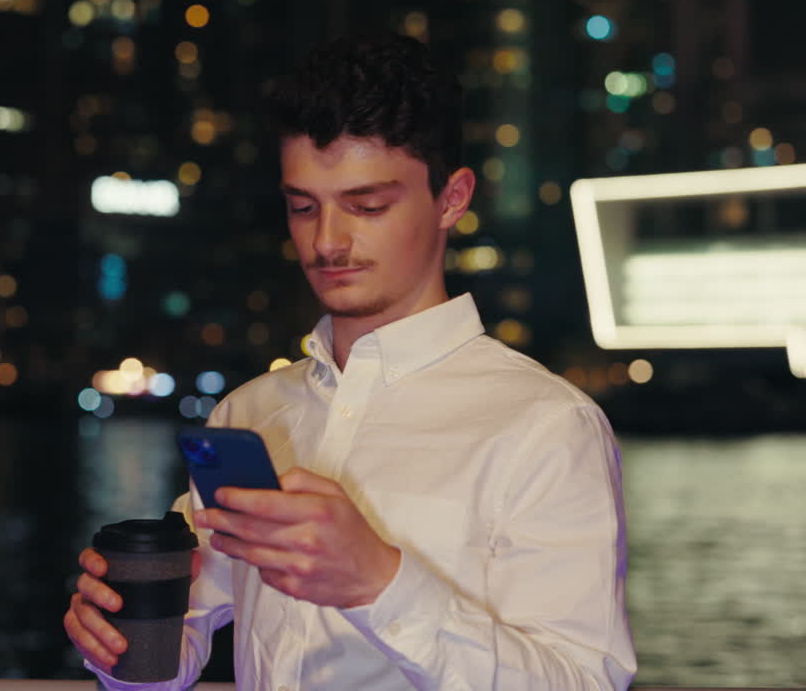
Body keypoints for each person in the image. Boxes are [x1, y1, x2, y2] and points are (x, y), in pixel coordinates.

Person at [64, 34, 636, 690]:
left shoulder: (547, 425)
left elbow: (584, 683)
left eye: (367, 206)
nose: (328, 241)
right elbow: (171, 657)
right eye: (303, 206)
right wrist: (120, 642)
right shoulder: (249, 412)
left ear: (452, 198)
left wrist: (380, 582)